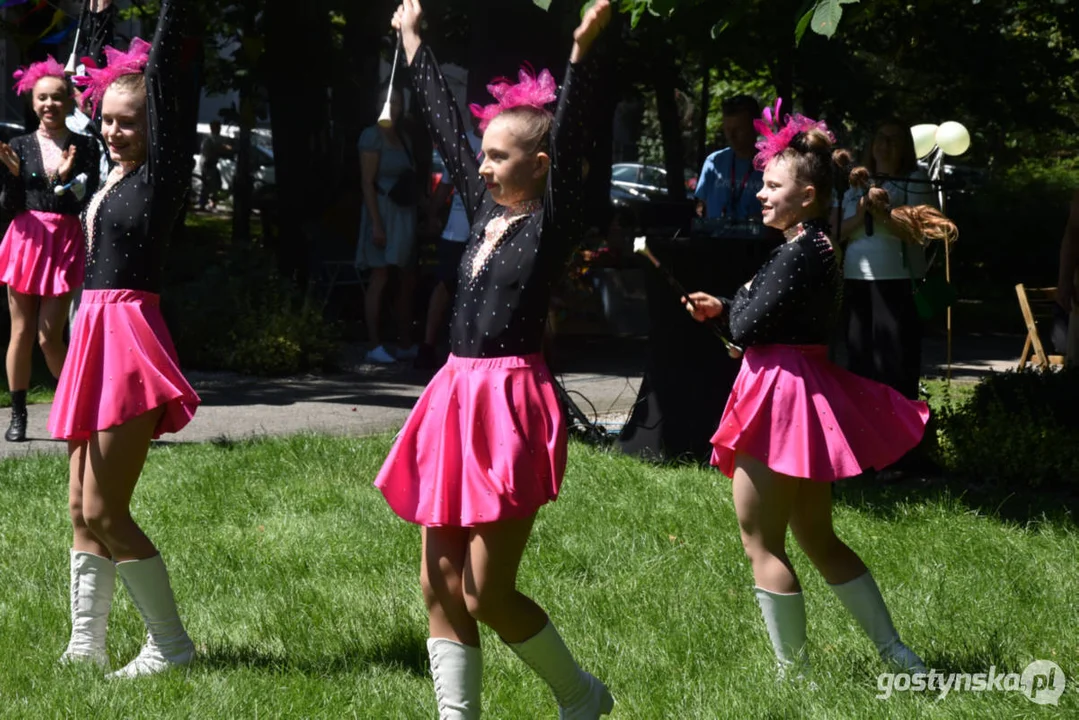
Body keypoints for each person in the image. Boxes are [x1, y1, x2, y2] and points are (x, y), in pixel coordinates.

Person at [376, 0, 614, 716]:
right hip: (454, 397)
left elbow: (571, 141)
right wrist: (413, 39)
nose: (480, 166)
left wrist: (580, 53)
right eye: (482, 154)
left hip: (507, 404)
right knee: (437, 581)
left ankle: (579, 695)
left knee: (486, 590)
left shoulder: (549, 225)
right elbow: (446, 122)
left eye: (499, 156)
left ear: (538, 168)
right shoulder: (483, 214)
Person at [683, 105, 955, 681]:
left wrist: (733, 318)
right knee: (816, 535)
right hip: (796, 387)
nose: (760, 194)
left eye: (772, 186)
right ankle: (896, 655)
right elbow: (760, 319)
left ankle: (794, 674)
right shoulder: (817, 245)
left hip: (779, 397)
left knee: (762, 542)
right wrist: (728, 309)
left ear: (807, 196)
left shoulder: (801, 250)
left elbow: (751, 328)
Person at [49, 0, 201, 678]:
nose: (112, 130)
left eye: (128, 121)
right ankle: (87, 642)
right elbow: (90, 82)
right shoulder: (110, 173)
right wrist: (100, 18)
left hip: (130, 340)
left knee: (109, 510)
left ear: (156, 123)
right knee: (81, 505)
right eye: (107, 119)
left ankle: (170, 644)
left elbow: (166, 70)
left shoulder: (163, 175)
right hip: (94, 332)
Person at [0, 56, 101, 443]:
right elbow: (11, 205)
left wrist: (62, 178)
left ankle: (71, 405)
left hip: (64, 240)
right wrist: (13, 178)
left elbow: (88, 199)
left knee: (49, 337)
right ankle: (18, 415)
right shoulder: (19, 145)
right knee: (21, 332)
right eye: (42, 98)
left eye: (57, 98)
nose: (49, 105)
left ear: (70, 102)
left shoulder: (85, 147)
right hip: (25, 239)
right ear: (33, 101)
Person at [839, 120, 938, 401]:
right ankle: (864, 429)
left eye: (894, 140)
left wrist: (883, 214)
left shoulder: (916, 179)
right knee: (859, 360)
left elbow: (923, 231)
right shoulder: (858, 181)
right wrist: (860, 214)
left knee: (896, 362)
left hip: (898, 281)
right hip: (857, 278)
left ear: (905, 147)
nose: (885, 144)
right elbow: (837, 230)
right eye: (881, 137)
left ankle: (900, 429)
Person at [356, 85, 420, 364]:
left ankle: (405, 341)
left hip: (404, 213)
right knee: (380, 276)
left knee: (406, 276)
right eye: (385, 100)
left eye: (395, 101)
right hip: (381, 211)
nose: (390, 105)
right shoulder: (372, 136)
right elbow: (367, 183)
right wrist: (377, 224)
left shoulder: (403, 137)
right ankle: (374, 344)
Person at [415, 123, 483, 370]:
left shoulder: (504, 136)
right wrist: (432, 214)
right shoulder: (463, 141)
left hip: (486, 228)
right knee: (444, 286)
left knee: (478, 291)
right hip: (456, 230)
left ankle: (470, 347)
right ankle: (428, 346)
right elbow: (446, 182)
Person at [694, 95, 763, 221]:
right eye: (727, 129)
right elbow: (701, 207)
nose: (731, 136)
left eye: (738, 129)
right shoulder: (713, 162)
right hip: (716, 238)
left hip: (757, 239)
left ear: (756, 128)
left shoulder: (772, 164)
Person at [197, 120, 232, 211]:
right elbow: (220, 147)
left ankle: (210, 203)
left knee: (215, 184)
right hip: (208, 164)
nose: (220, 129)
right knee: (208, 185)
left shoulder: (212, 138)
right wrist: (226, 148)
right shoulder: (211, 138)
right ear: (213, 128)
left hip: (210, 163)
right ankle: (203, 204)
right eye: (218, 127)